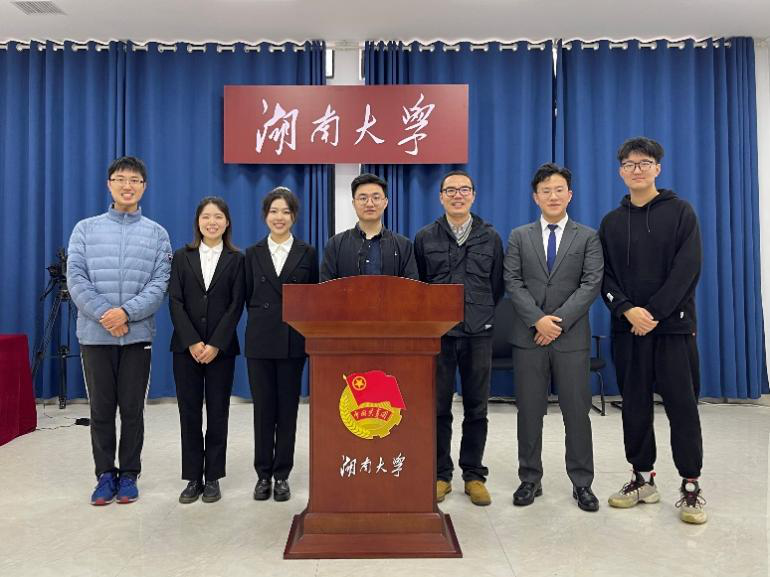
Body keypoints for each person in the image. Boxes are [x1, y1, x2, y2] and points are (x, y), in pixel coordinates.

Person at [599, 137, 707, 524]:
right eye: (630, 164)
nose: (637, 170)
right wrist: (628, 310)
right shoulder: (611, 222)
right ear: (620, 172)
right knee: (635, 407)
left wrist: (654, 313)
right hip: (628, 330)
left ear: (657, 168)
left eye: (645, 163)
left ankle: (691, 484)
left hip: (673, 329)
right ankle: (642, 478)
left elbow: (687, 269)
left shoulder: (681, 212)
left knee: (682, 407)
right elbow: (604, 276)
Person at [67, 156, 171, 505]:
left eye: (135, 180)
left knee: (132, 409)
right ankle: (104, 475)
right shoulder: (85, 229)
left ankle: (129, 474)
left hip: (137, 336)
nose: (128, 186)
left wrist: (126, 313)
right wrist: (105, 315)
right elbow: (76, 278)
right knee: (100, 410)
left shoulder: (157, 234)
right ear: (109, 184)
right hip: (95, 336)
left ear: (144, 186)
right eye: (121, 179)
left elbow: (159, 284)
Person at [503, 163, 603, 512]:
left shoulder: (587, 237)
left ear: (569, 195)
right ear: (536, 197)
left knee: (576, 413)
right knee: (529, 412)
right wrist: (537, 321)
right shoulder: (519, 236)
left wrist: (555, 323)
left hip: (570, 338)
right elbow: (512, 281)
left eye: (559, 190)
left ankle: (582, 482)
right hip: (529, 337)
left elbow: (591, 284)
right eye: (545, 191)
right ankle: (530, 478)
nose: (553, 196)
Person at [414, 169, 504, 506]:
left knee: (477, 407)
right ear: (441, 197)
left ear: (473, 196)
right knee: (438, 408)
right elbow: (420, 286)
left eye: (464, 189)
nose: (457, 195)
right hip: (439, 334)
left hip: (479, 333)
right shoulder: (425, 237)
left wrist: (478, 311)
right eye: (450, 190)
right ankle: (441, 474)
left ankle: (474, 475)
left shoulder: (490, 237)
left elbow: (496, 286)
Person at [169, 197, 245, 504]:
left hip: (221, 350)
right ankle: (192, 477)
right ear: (197, 222)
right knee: (188, 413)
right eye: (206, 217)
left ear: (227, 223)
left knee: (217, 412)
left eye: (217, 217)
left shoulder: (237, 259)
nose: (211, 222)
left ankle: (212, 476)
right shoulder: (181, 256)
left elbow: (236, 304)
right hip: (185, 349)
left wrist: (215, 343)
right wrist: (192, 341)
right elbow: (175, 301)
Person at [245, 187, 319, 502]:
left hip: (292, 342)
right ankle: (263, 474)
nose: (279, 217)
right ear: (265, 216)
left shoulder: (307, 252)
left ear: (294, 216)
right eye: (273, 211)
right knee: (263, 410)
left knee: (288, 410)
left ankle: (282, 475)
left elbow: (313, 298)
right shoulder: (251, 253)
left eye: (285, 212)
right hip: (260, 341)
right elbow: (246, 296)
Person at [320, 173, 418, 281]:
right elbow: (325, 288)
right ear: (353, 203)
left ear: (385, 202)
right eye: (363, 198)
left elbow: (411, 289)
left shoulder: (404, 246)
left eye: (376, 198)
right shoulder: (335, 245)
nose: (370, 204)